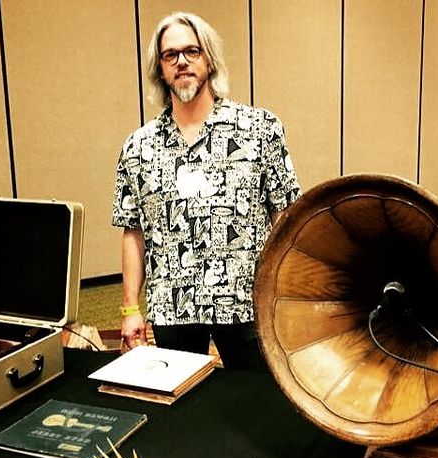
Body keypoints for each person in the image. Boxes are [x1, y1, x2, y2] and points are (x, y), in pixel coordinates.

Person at [112, 11, 301, 371]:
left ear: (209, 59)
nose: (181, 61)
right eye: (171, 55)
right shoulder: (138, 147)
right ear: (160, 69)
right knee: (182, 410)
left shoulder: (260, 130)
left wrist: (290, 296)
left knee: (257, 400)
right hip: (173, 307)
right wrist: (130, 309)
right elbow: (132, 231)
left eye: (192, 51)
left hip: (248, 304)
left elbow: (286, 218)